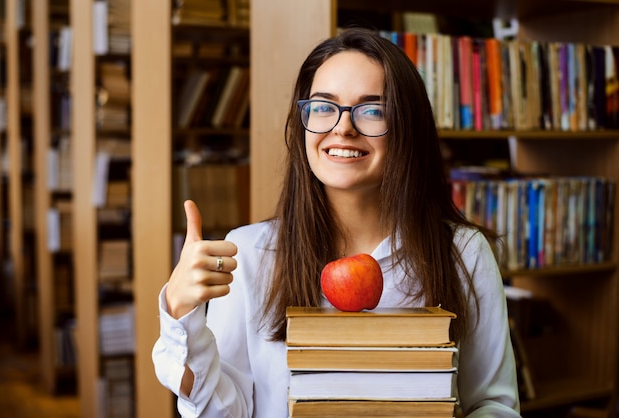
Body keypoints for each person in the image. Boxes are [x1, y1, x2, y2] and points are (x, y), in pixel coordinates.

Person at [153, 27, 521, 417]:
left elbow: (493, 404)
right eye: (324, 106)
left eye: (373, 110)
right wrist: (181, 314)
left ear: (406, 129)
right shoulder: (249, 252)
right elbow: (225, 412)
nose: (342, 127)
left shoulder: (463, 252)